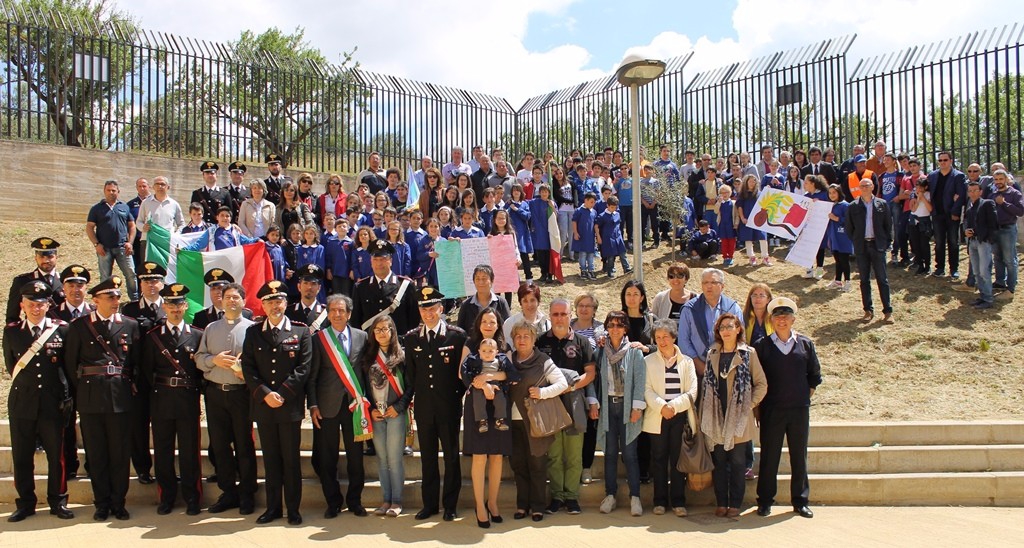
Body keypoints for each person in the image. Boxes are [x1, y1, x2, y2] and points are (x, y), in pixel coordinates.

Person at [64, 275, 141, 521]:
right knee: (96, 453)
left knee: (119, 452)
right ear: (96, 300)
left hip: (120, 398)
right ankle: (102, 503)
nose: (116, 300)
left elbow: (137, 364)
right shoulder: (79, 326)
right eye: (110, 297)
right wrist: (83, 391)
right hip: (90, 398)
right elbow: (70, 364)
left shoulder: (130, 325)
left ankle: (119, 502)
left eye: (118, 296)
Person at [241, 280, 312, 526]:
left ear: (286, 303)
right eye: (270, 301)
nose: (275, 305)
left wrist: (281, 393)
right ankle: (273, 508)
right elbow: (248, 368)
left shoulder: (301, 331)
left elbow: (303, 368)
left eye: (279, 300)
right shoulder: (253, 332)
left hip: (288, 406)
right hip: (263, 406)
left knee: (291, 459)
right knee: (270, 459)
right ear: (263, 305)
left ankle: (293, 509)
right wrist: (264, 394)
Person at [3, 281, 74, 522]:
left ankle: (58, 501)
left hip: (52, 403)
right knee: (21, 456)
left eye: (41, 304)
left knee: (57, 456)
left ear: (48, 306)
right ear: (22, 305)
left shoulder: (61, 329)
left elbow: (68, 366)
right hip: (22, 402)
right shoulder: (12, 331)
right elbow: (11, 366)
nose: (36, 308)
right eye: (31, 304)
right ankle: (25, 503)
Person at [398, 287, 468, 522]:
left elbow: (463, 374)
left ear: (441, 308)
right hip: (424, 408)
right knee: (427, 458)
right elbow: (411, 375)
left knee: (450, 457)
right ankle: (430, 505)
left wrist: (455, 397)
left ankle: (450, 505)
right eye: (423, 309)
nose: (428, 313)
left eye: (432, 308)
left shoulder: (456, 336)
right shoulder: (411, 338)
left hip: (448, 407)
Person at [754, 297, 822, 519]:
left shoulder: (805, 344)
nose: (781, 320)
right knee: (769, 456)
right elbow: (757, 379)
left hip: (799, 410)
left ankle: (800, 501)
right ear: (771, 320)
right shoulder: (762, 347)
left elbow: (814, 377)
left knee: (798, 456)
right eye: (777, 316)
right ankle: (765, 501)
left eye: (786, 316)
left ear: (793, 319)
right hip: (772, 410)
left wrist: (801, 397)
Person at [139, 284, 204, 516]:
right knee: (163, 451)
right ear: (164, 306)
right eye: (171, 304)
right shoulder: (153, 337)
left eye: (179, 304)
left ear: (186, 306)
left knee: (189, 452)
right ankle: (166, 497)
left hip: (187, 400)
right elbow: (146, 372)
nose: (175, 309)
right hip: (161, 400)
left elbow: (200, 373)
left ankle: (192, 497)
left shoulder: (197, 335)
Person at [194, 282, 257, 516]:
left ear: (243, 301)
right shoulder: (210, 328)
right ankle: (228, 491)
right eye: (227, 297)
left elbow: (257, 365)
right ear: (220, 301)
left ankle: (247, 493)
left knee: (244, 444)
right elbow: (199, 358)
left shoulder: (252, 329)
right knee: (220, 445)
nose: (231, 301)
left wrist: (244, 372)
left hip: (240, 394)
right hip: (215, 394)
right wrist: (214, 360)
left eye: (235, 298)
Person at [308, 294, 370, 518]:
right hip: (327, 406)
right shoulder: (319, 339)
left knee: (356, 457)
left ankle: (355, 501)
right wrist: (313, 405)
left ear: (349, 314)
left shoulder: (362, 337)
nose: (336, 314)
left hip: (355, 406)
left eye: (341, 310)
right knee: (327, 457)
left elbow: (366, 372)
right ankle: (333, 502)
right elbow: (312, 377)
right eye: (332, 310)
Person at [701, 313, 767, 518]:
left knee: (738, 463)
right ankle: (721, 502)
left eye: (730, 326)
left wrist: (748, 405)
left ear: (738, 329)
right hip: (715, 416)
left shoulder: (749, 354)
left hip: (739, 419)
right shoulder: (712, 352)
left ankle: (735, 504)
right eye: (722, 327)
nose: (726, 330)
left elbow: (761, 384)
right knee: (719, 462)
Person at [535, 298, 597, 516]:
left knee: (573, 454)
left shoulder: (581, 342)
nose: (559, 318)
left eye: (563, 314)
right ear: (550, 316)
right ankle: (556, 496)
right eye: (555, 314)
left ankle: (571, 497)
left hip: (574, 404)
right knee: (553, 454)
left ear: (569, 315)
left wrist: (569, 388)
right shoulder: (540, 342)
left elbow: (590, 373)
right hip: (549, 406)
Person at [507, 320, 567, 522]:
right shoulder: (508, 358)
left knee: (537, 465)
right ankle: (522, 505)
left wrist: (542, 393)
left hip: (535, 423)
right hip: (512, 422)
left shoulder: (543, 360)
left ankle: (538, 506)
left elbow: (562, 383)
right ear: (513, 339)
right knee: (518, 465)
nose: (521, 340)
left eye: (526, 336)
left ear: (533, 340)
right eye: (518, 336)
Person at [460, 308, 515, 528]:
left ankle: (492, 502)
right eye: (485, 321)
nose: (488, 325)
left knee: (497, 457)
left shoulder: (504, 347)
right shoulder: (469, 345)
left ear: (498, 324)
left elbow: (508, 374)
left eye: (493, 321)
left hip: (500, 407)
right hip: (477, 405)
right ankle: (479, 506)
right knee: (480, 456)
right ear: (478, 324)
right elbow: (463, 374)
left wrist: (489, 379)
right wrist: (483, 386)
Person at [120, 262, 169, 486]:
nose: (151, 285)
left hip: (163, 377)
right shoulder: (129, 310)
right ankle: (142, 468)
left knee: (163, 426)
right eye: (146, 281)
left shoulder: (171, 306)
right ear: (140, 283)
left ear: (163, 283)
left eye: (155, 280)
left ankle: (164, 469)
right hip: (138, 378)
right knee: (137, 425)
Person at [594, 311, 647, 516]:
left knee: (630, 453)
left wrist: (636, 407)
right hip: (608, 405)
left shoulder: (633, 351)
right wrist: (594, 402)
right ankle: (610, 495)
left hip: (627, 407)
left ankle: (635, 496)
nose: (615, 329)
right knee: (609, 453)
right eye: (611, 325)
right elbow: (594, 378)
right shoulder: (600, 351)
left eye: (619, 325)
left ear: (625, 328)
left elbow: (640, 380)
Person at [643, 319, 698, 517]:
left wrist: (673, 406)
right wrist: (662, 407)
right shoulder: (648, 361)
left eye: (665, 336)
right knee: (658, 459)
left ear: (674, 337)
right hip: (658, 416)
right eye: (658, 337)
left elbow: (693, 391)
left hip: (679, 416)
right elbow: (646, 390)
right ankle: (659, 501)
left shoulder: (687, 362)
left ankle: (678, 501)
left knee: (677, 460)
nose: (662, 341)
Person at [677, 268, 743, 376]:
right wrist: (698, 365)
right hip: (697, 370)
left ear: (722, 286)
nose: (709, 286)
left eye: (713, 282)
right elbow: (683, 341)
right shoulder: (689, 309)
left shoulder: (733, 308)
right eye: (705, 283)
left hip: (728, 368)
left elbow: (740, 338)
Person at [845, 178, 894, 322]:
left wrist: (887, 243)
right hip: (862, 246)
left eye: (867, 185)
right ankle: (868, 310)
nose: (864, 188)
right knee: (864, 280)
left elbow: (888, 225)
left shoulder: (882, 204)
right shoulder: (853, 206)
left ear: (872, 186)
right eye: (862, 186)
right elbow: (849, 227)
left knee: (882, 279)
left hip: (878, 245)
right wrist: (856, 240)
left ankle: (888, 311)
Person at [87, 180, 139, 300]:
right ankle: (106, 299)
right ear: (104, 191)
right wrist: (96, 244)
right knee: (105, 277)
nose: (111, 193)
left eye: (113, 190)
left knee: (131, 274)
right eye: (108, 190)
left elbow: (132, 226)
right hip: (104, 249)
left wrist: (130, 243)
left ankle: (134, 300)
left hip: (122, 248)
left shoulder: (124, 207)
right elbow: (89, 227)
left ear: (118, 192)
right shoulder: (96, 208)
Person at [926, 151, 967, 280]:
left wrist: (955, 212)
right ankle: (940, 268)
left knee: (953, 242)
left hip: (951, 215)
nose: (942, 162)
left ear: (951, 161)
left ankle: (954, 269)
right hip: (937, 214)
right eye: (940, 160)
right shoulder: (932, 176)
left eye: (945, 160)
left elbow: (960, 197)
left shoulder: (958, 176)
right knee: (939, 242)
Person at [6, 237, 64, 323]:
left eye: (50, 256)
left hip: (60, 332)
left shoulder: (65, 280)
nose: (46, 260)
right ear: (35, 258)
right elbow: (12, 316)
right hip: (34, 332)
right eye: (41, 256)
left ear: (56, 257)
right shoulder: (23, 281)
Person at [963, 181, 999, 309]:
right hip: (972, 241)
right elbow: (966, 222)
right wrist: (966, 231)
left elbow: (993, 224)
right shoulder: (970, 207)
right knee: (977, 271)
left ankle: (988, 298)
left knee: (984, 271)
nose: (972, 193)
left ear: (981, 192)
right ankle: (983, 296)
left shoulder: (987, 204)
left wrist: (988, 239)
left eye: (975, 190)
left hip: (983, 241)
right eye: (970, 191)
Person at [990, 170, 1023, 298]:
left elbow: (1020, 211)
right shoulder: (993, 194)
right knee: (997, 258)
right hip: (995, 229)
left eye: (1000, 179)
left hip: (1008, 229)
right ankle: (999, 282)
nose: (998, 182)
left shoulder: (1014, 193)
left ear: (1006, 179)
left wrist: (1003, 203)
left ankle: (1010, 288)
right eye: (996, 180)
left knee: (1010, 259)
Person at [137, 176, 185, 260]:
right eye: (157, 184)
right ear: (153, 187)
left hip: (167, 242)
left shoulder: (174, 204)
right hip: (148, 242)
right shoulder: (146, 203)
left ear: (168, 187)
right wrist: (143, 227)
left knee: (166, 269)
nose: (160, 186)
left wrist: (175, 235)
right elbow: (139, 221)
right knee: (149, 269)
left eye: (162, 184)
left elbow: (181, 224)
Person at [180, 206, 262, 252]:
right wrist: (184, 250)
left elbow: (247, 241)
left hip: (233, 262)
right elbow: (198, 244)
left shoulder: (235, 231)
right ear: (217, 217)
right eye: (222, 215)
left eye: (227, 216)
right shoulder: (211, 231)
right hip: (217, 262)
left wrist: (258, 240)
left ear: (230, 218)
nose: (224, 218)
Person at [457, 264, 512, 332]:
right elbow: (460, 332)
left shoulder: (501, 302)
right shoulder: (466, 305)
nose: (481, 282)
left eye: (484, 278)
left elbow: (508, 328)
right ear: (474, 281)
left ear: (491, 281)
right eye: (477, 279)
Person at [736, 174, 771, 266]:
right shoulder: (742, 194)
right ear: (746, 182)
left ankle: (765, 257)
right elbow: (739, 207)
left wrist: (768, 191)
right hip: (747, 218)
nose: (752, 183)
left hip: (759, 219)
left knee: (763, 237)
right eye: (750, 181)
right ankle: (751, 257)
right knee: (748, 238)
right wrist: (742, 217)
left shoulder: (759, 193)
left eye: (754, 181)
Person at [826, 184, 855, 291]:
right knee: (837, 260)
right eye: (830, 193)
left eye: (834, 192)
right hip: (834, 236)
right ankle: (838, 281)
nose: (832, 195)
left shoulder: (845, 205)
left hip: (843, 237)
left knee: (844, 260)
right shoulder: (831, 205)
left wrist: (837, 218)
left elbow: (849, 221)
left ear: (839, 192)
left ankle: (848, 282)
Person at [596, 196, 632, 277]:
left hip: (618, 237)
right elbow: (596, 226)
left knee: (623, 253)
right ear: (607, 206)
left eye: (615, 207)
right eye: (612, 207)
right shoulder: (602, 216)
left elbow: (618, 224)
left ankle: (626, 268)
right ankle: (610, 270)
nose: (613, 209)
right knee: (611, 256)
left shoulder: (617, 214)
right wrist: (598, 236)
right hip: (608, 238)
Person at [908, 177, 934, 276]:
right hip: (914, 221)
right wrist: (917, 199)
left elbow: (930, 209)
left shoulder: (928, 195)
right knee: (916, 244)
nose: (918, 190)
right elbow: (913, 210)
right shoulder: (915, 195)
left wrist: (923, 198)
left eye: (920, 188)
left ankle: (927, 265)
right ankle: (920, 265)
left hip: (924, 222)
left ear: (925, 187)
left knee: (924, 245)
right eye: (917, 187)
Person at [572, 192, 598, 279]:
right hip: (581, 236)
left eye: (594, 202)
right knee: (582, 254)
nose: (593, 204)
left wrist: (597, 235)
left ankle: (591, 270)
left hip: (590, 237)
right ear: (585, 200)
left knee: (591, 254)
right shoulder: (579, 211)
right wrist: (575, 232)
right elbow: (574, 221)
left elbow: (595, 225)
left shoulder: (594, 212)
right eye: (591, 202)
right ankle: (583, 270)